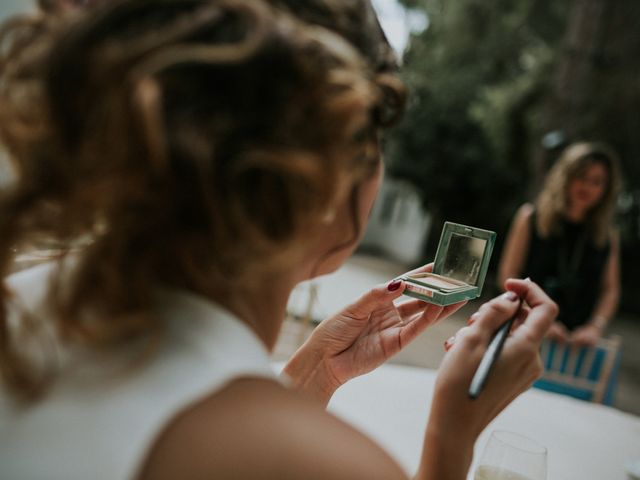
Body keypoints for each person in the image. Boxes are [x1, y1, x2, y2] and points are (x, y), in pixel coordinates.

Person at [0, 1, 557, 479]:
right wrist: (452, 435)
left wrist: (314, 374)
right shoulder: (315, 462)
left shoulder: (21, 301)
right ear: (328, 172)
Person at [498, 142, 621, 347]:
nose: (587, 187)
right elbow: (509, 275)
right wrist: (539, 318)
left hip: (575, 345)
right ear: (565, 176)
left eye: (597, 182)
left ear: (606, 189)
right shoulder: (530, 218)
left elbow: (610, 290)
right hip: (525, 332)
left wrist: (595, 326)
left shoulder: (608, 235)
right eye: (581, 177)